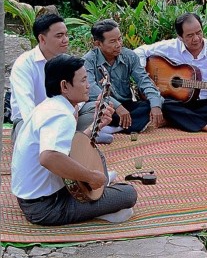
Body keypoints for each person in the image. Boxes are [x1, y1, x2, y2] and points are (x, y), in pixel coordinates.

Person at [11, 54, 137, 225]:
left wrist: (96, 126)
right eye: (84, 80)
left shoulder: (51, 106)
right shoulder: (61, 115)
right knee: (128, 193)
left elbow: (71, 147)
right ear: (64, 86)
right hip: (46, 207)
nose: (88, 86)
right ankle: (100, 208)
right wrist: (91, 177)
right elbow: (49, 157)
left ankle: (101, 191)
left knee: (93, 154)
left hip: (32, 199)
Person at [9, 14, 111, 143]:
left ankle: (76, 135)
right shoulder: (24, 64)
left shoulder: (66, 61)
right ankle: (79, 136)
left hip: (65, 116)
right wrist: (53, 118)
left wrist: (75, 108)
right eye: (59, 36)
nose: (65, 40)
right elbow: (27, 108)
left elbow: (77, 95)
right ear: (42, 39)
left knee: (96, 108)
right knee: (28, 138)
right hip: (31, 121)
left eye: (66, 35)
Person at [134, 13, 207, 135]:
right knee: (164, 104)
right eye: (190, 35)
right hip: (177, 103)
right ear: (180, 37)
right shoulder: (169, 46)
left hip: (205, 102)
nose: (196, 38)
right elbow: (139, 51)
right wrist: (145, 77)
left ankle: (176, 119)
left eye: (199, 32)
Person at [80, 19, 164, 136]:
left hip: (126, 105)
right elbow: (91, 88)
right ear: (98, 44)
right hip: (103, 106)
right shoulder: (88, 61)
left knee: (154, 103)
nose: (118, 44)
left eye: (120, 39)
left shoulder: (129, 56)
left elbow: (144, 81)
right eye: (113, 41)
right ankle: (123, 125)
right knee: (97, 111)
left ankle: (116, 127)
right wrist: (117, 106)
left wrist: (155, 105)